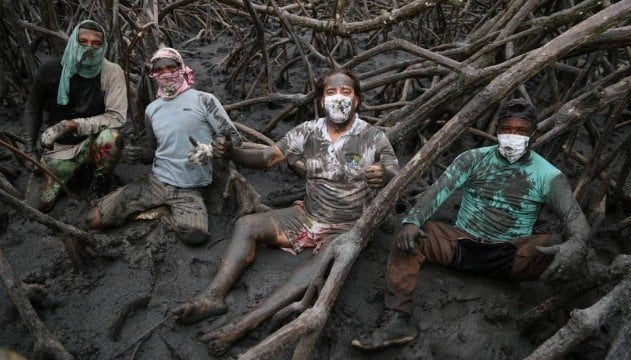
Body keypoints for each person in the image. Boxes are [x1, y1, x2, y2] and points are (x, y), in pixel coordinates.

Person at [351, 98, 592, 351]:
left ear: (534, 135)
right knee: (410, 233)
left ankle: (585, 335)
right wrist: (412, 220)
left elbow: (576, 221)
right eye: (507, 130)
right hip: (462, 245)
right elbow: (435, 194)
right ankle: (396, 319)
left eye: (521, 132)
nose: (513, 136)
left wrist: (575, 243)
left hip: (512, 256)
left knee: (569, 251)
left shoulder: (548, 175)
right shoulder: (472, 159)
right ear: (496, 131)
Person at [171, 68, 401, 324]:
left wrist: (385, 175)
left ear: (356, 100)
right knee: (247, 225)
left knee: (313, 270)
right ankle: (211, 298)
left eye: (346, 92)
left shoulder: (374, 137)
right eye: (331, 92)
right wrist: (231, 153)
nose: (339, 98)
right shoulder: (308, 131)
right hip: (307, 216)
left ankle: (247, 322)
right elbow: (266, 158)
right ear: (321, 100)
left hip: (346, 227)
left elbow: (397, 174)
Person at [86, 47, 241, 246]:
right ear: (153, 75)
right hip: (155, 182)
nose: (166, 74)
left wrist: (212, 149)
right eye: (159, 70)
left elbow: (235, 139)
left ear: (182, 68)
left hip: (190, 188)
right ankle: (156, 209)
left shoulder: (204, 101)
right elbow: (153, 151)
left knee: (195, 236)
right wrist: (139, 155)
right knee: (93, 220)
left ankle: (161, 214)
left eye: (172, 67)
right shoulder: (152, 110)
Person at [22, 20, 127, 211]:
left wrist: (70, 125)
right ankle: (72, 171)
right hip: (60, 147)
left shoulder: (112, 72)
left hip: (93, 144)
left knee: (112, 138)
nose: (89, 47)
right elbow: (32, 108)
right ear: (72, 42)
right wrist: (29, 149)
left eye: (96, 43)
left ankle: (99, 184)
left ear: (103, 46)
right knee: (37, 205)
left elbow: (116, 117)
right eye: (83, 41)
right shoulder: (51, 69)